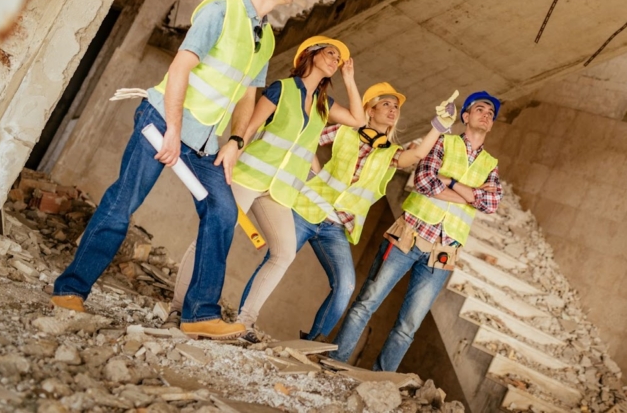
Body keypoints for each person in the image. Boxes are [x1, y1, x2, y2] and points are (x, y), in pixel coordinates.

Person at [51, 0, 303, 339]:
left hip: (204, 144)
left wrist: (236, 140)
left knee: (221, 213)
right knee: (123, 202)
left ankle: (199, 313)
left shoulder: (266, 37)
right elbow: (181, 66)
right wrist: (170, 129)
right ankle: (70, 290)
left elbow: (247, 96)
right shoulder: (221, 10)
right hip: (164, 121)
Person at [168, 35, 364, 335]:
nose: (335, 61)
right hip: (249, 177)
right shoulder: (281, 88)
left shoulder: (324, 106)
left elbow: (358, 120)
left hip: (280, 192)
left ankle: (244, 322)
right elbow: (250, 126)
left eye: (338, 59)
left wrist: (350, 79)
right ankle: (177, 310)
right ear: (309, 55)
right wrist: (232, 153)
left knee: (284, 252)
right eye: (329, 53)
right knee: (212, 236)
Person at [237, 83, 460, 341]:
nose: (392, 109)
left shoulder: (391, 154)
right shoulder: (344, 132)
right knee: (275, 260)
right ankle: (243, 323)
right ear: (370, 110)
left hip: (336, 228)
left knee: (345, 286)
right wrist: (316, 170)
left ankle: (311, 343)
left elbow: (419, 153)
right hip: (306, 211)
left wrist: (438, 127)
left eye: (396, 107)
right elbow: (307, 138)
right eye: (386, 103)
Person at [333, 91, 504, 370]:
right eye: (481, 109)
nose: (486, 115)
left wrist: (448, 182)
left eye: (491, 114)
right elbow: (424, 182)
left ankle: (379, 381)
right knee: (368, 301)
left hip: (444, 251)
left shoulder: (491, 165)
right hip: (409, 234)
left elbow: (491, 203)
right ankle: (335, 362)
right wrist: (470, 195)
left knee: (408, 326)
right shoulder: (444, 143)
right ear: (466, 116)